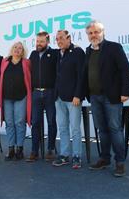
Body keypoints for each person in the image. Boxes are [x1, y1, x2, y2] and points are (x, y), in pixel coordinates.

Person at [84, 20, 129, 177]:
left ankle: (120, 162)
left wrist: (125, 92)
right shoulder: (88, 51)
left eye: (96, 32)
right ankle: (105, 158)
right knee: (102, 129)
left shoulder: (114, 47)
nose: (93, 35)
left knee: (114, 129)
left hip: (111, 97)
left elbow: (126, 69)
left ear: (103, 32)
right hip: (94, 97)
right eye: (90, 33)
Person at [52, 30, 85, 169]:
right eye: (57, 39)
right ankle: (64, 155)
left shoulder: (78, 51)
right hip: (58, 98)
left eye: (61, 38)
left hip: (73, 99)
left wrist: (78, 95)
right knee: (63, 128)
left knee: (75, 129)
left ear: (69, 38)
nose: (59, 41)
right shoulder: (58, 54)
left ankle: (77, 156)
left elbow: (81, 75)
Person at [26, 32, 58, 162]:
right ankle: (34, 151)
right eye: (37, 41)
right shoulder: (33, 54)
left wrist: (55, 92)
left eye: (41, 41)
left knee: (51, 122)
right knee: (36, 123)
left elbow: (58, 72)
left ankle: (50, 149)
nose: (39, 44)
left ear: (48, 42)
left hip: (50, 93)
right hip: (36, 94)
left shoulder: (54, 54)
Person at [0, 42, 32, 161]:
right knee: (9, 122)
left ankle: (20, 149)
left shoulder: (26, 63)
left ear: (23, 51)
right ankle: (11, 148)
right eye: (15, 47)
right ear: (11, 49)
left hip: (21, 97)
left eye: (20, 48)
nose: (17, 50)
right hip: (7, 98)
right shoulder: (4, 62)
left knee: (19, 122)